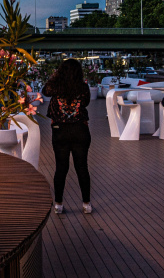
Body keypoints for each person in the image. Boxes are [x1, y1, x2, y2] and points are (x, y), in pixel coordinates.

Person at [42, 58, 92, 214]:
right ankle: (86, 204)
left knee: (61, 168)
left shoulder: (55, 86)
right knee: (82, 167)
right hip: (80, 130)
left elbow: (44, 90)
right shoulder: (83, 87)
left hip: (60, 131)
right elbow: (86, 102)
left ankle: (58, 204)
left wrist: (56, 76)